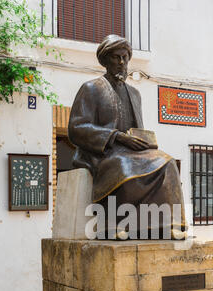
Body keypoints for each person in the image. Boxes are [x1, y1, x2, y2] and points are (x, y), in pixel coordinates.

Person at [68, 34, 187, 239]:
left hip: (130, 150)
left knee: (167, 163)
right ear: (105, 60)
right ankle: (110, 225)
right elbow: (76, 127)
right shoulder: (91, 88)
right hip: (102, 151)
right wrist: (116, 137)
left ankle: (166, 223)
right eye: (116, 57)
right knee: (123, 165)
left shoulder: (135, 94)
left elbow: (137, 127)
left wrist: (143, 141)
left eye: (125, 57)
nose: (122, 62)